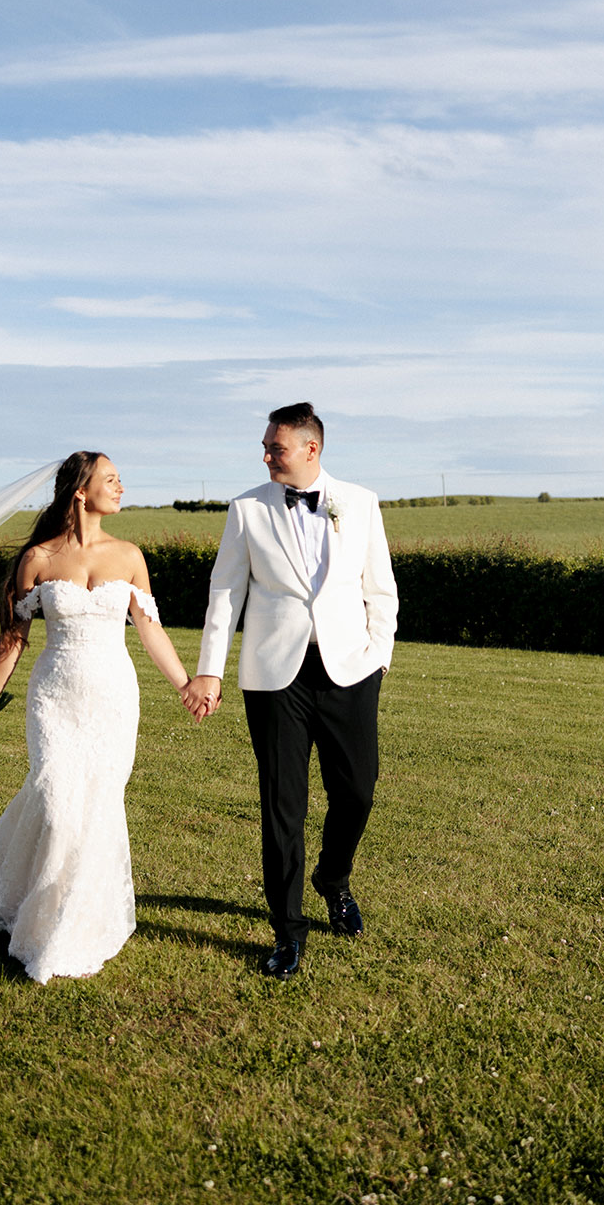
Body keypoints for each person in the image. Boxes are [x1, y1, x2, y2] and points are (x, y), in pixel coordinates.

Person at [0, 451, 200, 983]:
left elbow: (150, 629)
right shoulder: (39, 559)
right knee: (53, 796)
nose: (121, 486)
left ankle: (72, 918)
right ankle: (37, 908)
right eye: (110, 479)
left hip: (114, 696)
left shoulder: (130, 555)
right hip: (56, 697)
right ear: (80, 491)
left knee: (96, 804)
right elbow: (14, 637)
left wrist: (185, 684)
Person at [182, 404, 398, 980]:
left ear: (311, 449)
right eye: (265, 446)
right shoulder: (246, 509)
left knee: (358, 791)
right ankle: (288, 932)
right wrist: (211, 670)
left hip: (350, 671)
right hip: (274, 678)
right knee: (283, 806)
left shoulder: (361, 502)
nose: (266, 455)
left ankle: (333, 877)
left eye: (275, 447)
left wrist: (379, 657)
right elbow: (224, 593)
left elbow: (382, 590)